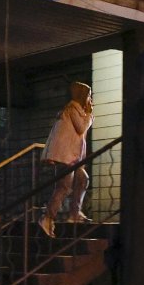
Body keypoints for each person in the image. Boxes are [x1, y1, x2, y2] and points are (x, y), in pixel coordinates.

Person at [39, 81, 94, 238]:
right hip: (66, 157)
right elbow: (81, 128)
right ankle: (47, 217)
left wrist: (88, 114)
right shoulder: (72, 108)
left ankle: (74, 213)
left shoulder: (77, 110)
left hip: (72, 157)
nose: (90, 98)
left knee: (83, 179)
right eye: (89, 95)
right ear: (83, 95)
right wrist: (89, 114)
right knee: (64, 187)